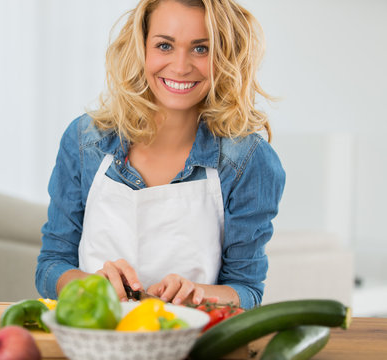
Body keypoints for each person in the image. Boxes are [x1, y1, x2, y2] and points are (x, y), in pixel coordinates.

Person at [36, 0, 285, 310]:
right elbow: (51, 266)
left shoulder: (247, 160)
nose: (180, 66)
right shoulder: (86, 140)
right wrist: (87, 284)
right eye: (165, 45)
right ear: (140, 48)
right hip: (94, 339)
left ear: (226, 56)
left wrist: (196, 293)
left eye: (201, 49)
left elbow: (247, 291)